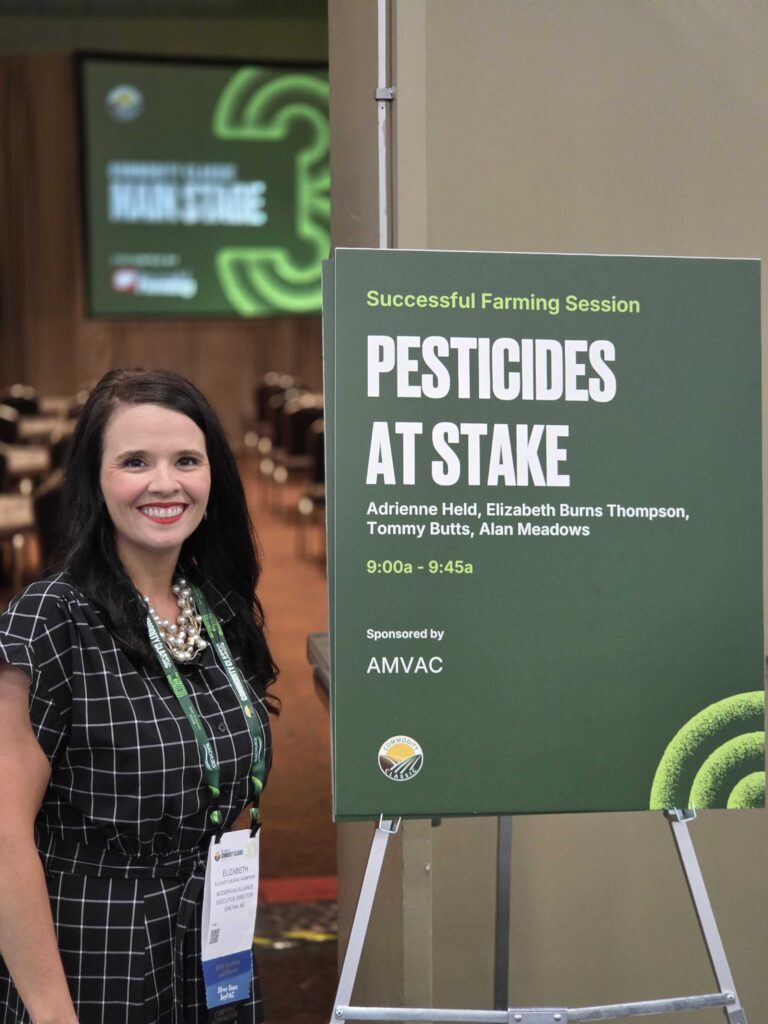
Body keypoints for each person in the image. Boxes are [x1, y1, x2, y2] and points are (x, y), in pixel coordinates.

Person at [0, 369, 278, 1024]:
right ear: (94, 480)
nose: (164, 483)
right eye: (134, 462)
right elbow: (4, 834)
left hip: (210, 953)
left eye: (186, 460)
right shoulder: (52, 620)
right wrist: (51, 1013)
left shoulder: (217, 609)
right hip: (95, 962)